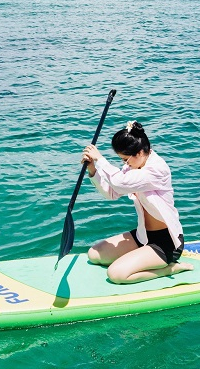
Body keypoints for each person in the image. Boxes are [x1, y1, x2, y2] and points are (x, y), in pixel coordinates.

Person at [82, 120, 193, 284]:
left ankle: (169, 268)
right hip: (143, 235)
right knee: (94, 254)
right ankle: (142, 255)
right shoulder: (132, 167)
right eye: (122, 160)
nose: (125, 164)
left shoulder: (157, 170)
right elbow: (112, 192)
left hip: (166, 243)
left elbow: (120, 182)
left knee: (116, 274)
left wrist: (101, 159)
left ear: (140, 152)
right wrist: (93, 169)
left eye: (126, 159)